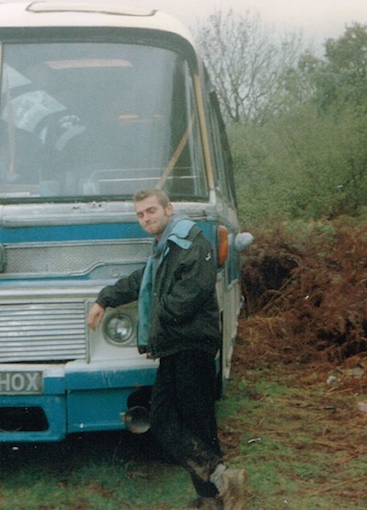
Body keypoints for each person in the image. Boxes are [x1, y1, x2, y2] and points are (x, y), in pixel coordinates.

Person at [87, 188, 247, 510]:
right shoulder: (163, 248)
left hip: (191, 345)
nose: (146, 218)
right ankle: (221, 480)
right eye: (140, 214)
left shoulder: (189, 240)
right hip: (175, 346)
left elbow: (193, 292)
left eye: (151, 211)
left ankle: (212, 497)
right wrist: (104, 298)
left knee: (194, 423)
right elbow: (142, 282)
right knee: (164, 421)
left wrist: (157, 318)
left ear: (168, 209)